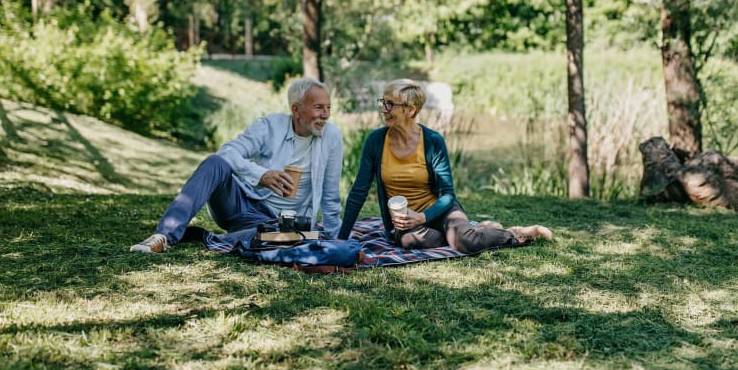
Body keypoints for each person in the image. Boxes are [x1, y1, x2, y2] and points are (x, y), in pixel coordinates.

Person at [131, 77, 343, 252]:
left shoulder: (332, 137)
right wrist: (262, 175)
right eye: (318, 108)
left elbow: (330, 195)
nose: (325, 114)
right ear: (296, 110)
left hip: (282, 224)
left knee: (294, 236)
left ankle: (220, 239)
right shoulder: (269, 126)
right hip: (241, 204)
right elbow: (228, 152)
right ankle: (163, 235)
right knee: (215, 162)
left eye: (328, 108)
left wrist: (337, 239)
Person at [337, 79, 552, 251]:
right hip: (406, 223)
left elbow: (447, 194)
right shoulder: (376, 141)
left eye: (390, 104)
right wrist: (342, 237)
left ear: (410, 110)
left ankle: (514, 234)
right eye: (382, 102)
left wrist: (422, 216)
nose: (383, 109)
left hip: (440, 210)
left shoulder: (432, 141)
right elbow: (359, 191)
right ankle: (471, 231)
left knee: (466, 243)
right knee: (408, 240)